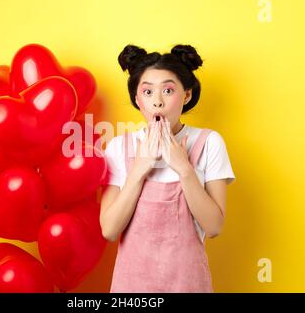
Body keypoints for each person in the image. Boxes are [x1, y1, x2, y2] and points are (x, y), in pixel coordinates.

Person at [100, 44, 236, 292]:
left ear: (186, 95)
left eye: (169, 90)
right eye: (148, 92)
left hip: (188, 284)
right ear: (137, 99)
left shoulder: (209, 142)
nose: (158, 102)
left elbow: (214, 226)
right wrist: (140, 168)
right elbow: (109, 230)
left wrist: (184, 168)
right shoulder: (120, 146)